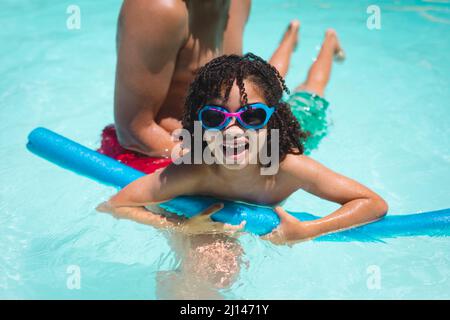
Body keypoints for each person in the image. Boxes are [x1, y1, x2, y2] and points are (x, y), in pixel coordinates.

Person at [97, 53, 387, 298]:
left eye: (251, 117)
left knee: (311, 93)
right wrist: (179, 228)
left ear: (271, 119)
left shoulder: (290, 167)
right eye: (215, 118)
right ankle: (286, 46)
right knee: (218, 270)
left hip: (303, 129)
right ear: (199, 124)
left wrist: (307, 231)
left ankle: (327, 45)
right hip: (265, 129)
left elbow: (372, 203)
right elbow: (114, 205)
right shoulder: (196, 171)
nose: (232, 132)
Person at [99, 0, 306, 173]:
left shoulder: (238, 3)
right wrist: (216, 168)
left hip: (223, 138)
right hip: (160, 152)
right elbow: (134, 130)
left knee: (291, 100)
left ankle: (291, 38)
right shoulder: (157, 8)